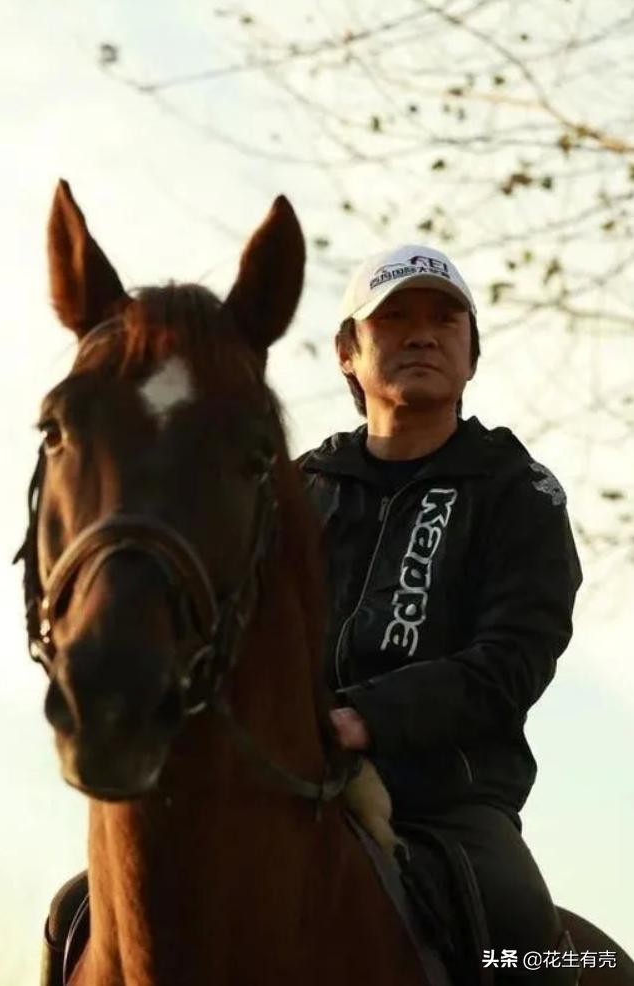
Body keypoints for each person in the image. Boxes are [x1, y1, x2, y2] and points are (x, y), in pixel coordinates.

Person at [298, 244, 582, 983]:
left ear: (470, 354)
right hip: (283, 781)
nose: (422, 336)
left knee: (526, 938)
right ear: (347, 353)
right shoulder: (291, 495)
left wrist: (363, 719)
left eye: (444, 320)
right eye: (393, 320)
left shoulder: (518, 490)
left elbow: (513, 660)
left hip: (448, 801)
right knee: (79, 910)